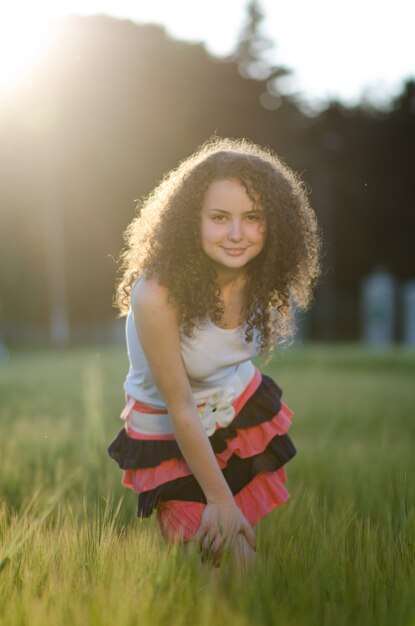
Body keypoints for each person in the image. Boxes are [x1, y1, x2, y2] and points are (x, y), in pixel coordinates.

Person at [107, 137, 321, 571]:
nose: (238, 234)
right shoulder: (156, 294)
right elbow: (180, 403)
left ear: (273, 223)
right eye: (220, 218)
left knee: (245, 569)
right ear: (192, 221)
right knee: (227, 569)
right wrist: (219, 498)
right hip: (172, 430)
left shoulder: (262, 276)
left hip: (237, 417)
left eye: (253, 218)